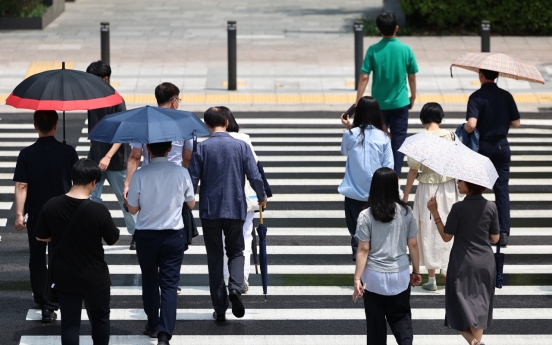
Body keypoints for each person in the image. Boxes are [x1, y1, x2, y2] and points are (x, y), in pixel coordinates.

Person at [189, 107, 266, 322]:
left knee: (214, 257)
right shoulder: (241, 146)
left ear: (207, 124)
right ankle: (235, 287)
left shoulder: (201, 148)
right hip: (235, 208)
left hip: (210, 210)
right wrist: (261, 196)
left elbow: (192, 181)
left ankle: (220, 307)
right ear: (226, 121)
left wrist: (187, 202)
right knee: (236, 251)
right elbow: (254, 175)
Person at [35, 158, 120, 345]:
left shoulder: (52, 205)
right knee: (100, 320)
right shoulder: (99, 211)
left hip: (65, 275)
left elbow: (40, 237)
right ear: (93, 182)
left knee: (70, 324)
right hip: (95, 276)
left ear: (73, 178)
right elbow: (113, 239)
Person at [126, 141, 195, 345]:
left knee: (149, 280)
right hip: (173, 235)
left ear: (148, 148)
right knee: (170, 285)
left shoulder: (140, 174)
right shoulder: (181, 173)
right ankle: (165, 334)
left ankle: (153, 324)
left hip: (146, 235)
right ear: (169, 149)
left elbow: (132, 210)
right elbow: (190, 203)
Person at [13, 110, 79, 323]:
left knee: (37, 257)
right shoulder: (68, 151)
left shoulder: (26, 154)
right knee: (59, 256)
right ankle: (54, 301)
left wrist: (19, 214)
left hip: (38, 215)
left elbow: (22, 185)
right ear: (56, 124)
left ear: (35, 125)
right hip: (63, 213)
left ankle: (41, 298)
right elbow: (78, 183)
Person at [353, 167, 421, 345]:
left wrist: (357, 278)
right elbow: (413, 244)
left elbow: (363, 250)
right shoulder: (406, 212)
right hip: (399, 275)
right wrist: (416, 270)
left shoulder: (366, 215)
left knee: (376, 326)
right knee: (401, 318)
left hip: (374, 278)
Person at [427, 180, 500, 345]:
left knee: (457, 308)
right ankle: (476, 342)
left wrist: (435, 212)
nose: (458, 183)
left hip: (462, 261)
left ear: (470, 185)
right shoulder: (491, 206)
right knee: (480, 308)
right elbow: (495, 238)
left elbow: (446, 237)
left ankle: (474, 342)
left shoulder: (458, 208)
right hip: (485, 263)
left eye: (461, 181)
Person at [123, 82, 193, 249]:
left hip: (148, 175)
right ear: (174, 100)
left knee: (148, 212)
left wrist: (127, 183)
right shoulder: (183, 122)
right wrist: (186, 179)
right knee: (172, 215)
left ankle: (145, 242)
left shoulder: (146, 122)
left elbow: (135, 156)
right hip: (175, 177)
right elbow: (187, 158)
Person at [402, 103, 458, 290]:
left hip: (427, 186)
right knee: (448, 225)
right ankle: (445, 267)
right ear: (440, 117)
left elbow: (413, 169)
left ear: (423, 118)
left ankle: (431, 279)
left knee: (427, 229)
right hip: (448, 186)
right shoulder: (451, 136)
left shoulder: (419, 140)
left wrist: (406, 195)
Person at [355, 12, 418, 177]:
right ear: (396, 28)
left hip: (378, 106)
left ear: (379, 29)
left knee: (376, 141)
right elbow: (412, 76)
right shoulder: (406, 50)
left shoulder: (373, 50)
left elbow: (364, 76)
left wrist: (358, 101)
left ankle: (377, 177)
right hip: (400, 104)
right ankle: (394, 178)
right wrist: (413, 96)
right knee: (398, 143)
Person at [464, 68, 521, 247]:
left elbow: (471, 125)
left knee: (476, 189)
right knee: (501, 189)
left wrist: (464, 129)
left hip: (483, 147)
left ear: (481, 75)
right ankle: (503, 232)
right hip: (501, 146)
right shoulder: (506, 96)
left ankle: (476, 228)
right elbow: (516, 123)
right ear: (498, 76)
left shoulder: (476, 97)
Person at [86, 60, 137, 250]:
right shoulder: (92, 100)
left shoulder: (117, 100)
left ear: (105, 79)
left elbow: (122, 134)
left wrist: (107, 156)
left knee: (125, 199)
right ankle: (92, 234)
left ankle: (136, 233)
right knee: (91, 198)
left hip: (116, 160)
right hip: (96, 158)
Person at [339, 96, 394, 260]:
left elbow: (344, 151)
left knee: (357, 234)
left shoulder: (350, 135)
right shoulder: (384, 137)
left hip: (354, 194)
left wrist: (349, 127)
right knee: (376, 233)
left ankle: (360, 276)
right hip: (376, 195)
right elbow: (389, 167)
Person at [220, 106, 259, 294]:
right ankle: (242, 277)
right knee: (245, 236)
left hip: (221, 200)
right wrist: (262, 193)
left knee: (223, 239)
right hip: (243, 198)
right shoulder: (244, 139)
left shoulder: (210, 141)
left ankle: (227, 277)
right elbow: (255, 167)